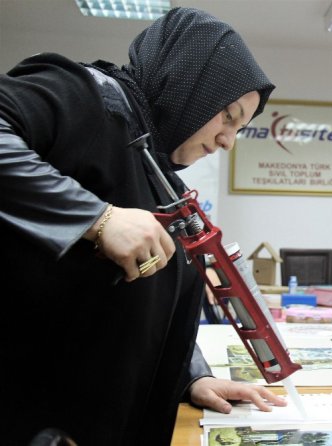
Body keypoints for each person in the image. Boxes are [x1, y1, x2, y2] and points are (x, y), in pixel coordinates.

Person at [0, 8, 287, 446]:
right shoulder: (84, 95)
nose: (229, 139)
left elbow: (146, 303)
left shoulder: (159, 172)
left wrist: (190, 377)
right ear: (189, 84)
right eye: (227, 115)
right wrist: (96, 218)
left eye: (241, 128)